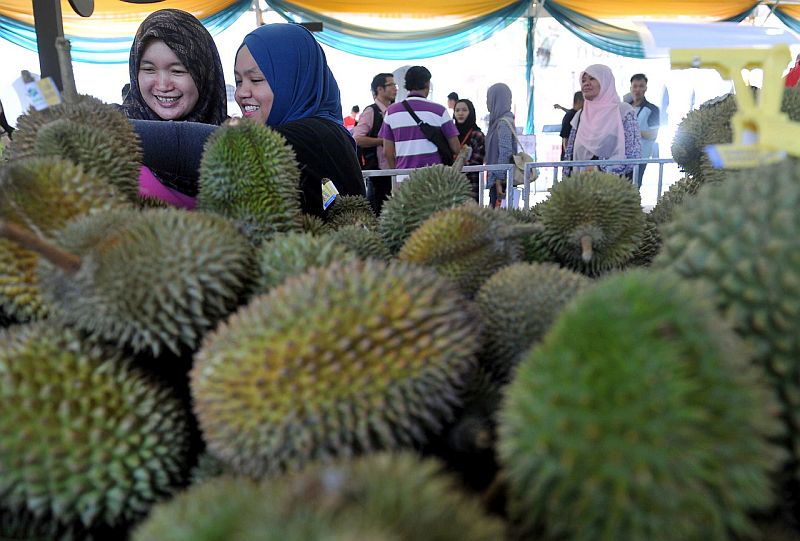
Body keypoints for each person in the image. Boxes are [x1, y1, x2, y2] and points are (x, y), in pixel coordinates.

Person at [131, 23, 365, 216]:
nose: (242, 92)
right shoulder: (320, 134)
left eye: (256, 79)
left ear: (294, 81)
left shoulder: (317, 135)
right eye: (239, 80)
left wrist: (109, 127)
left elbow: (202, 146)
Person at [121, 9, 227, 125]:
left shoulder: (236, 136)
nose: (163, 86)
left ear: (203, 73)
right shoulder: (109, 130)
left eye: (177, 71)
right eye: (149, 69)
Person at [564, 64, 641, 179]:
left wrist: (599, 168)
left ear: (606, 81)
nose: (586, 83)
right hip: (580, 188)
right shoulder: (580, 116)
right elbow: (569, 155)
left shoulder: (623, 112)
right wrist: (566, 183)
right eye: (583, 80)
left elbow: (633, 153)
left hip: (613, 188)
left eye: (592, 78)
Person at [379, 66, 460, 170]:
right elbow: (456, 148)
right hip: (434, 177)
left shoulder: (391, 112)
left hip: (404, 178)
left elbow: (387, 152)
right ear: (427, 83)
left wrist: (397, 174)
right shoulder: (440, 110)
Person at [353, 73, 397, 214]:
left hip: (394, 170)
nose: (395, 88)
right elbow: (357, 138)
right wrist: (384, 141)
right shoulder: (371, 111)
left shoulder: (394, 111)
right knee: (378, 212)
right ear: (379, 89)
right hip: (378, 173)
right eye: (391, 85)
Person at [484, 83, 517, 208]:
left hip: (501, 183)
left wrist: (499, 179)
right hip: (500, 180)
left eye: (489, 98)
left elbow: (505, 152)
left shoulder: (503, 122)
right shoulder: (497, 122)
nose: (487, 102)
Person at [453, 99, 485, 200]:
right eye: (457, 110)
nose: (460, 113)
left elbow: (476, 162)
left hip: (470, 184)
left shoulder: (477, 135)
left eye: (464, 110)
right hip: (451, 185)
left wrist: (454, 168)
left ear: (471, 112)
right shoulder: (451, 135)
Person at [555, 91, 584, 160]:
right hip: (571, 157)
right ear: (579, 101)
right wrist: (568, 157)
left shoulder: (580, 114)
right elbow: (565, 138)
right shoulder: (570, 116)